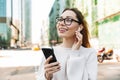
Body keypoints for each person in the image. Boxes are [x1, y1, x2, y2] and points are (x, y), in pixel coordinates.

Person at [36, 8, 97, 80]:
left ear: (80, 27)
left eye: (68, 20)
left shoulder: (90, 53)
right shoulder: (51, 53)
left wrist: (74, 53)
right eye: (60, 19)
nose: (61, 23)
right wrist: (47, 76)